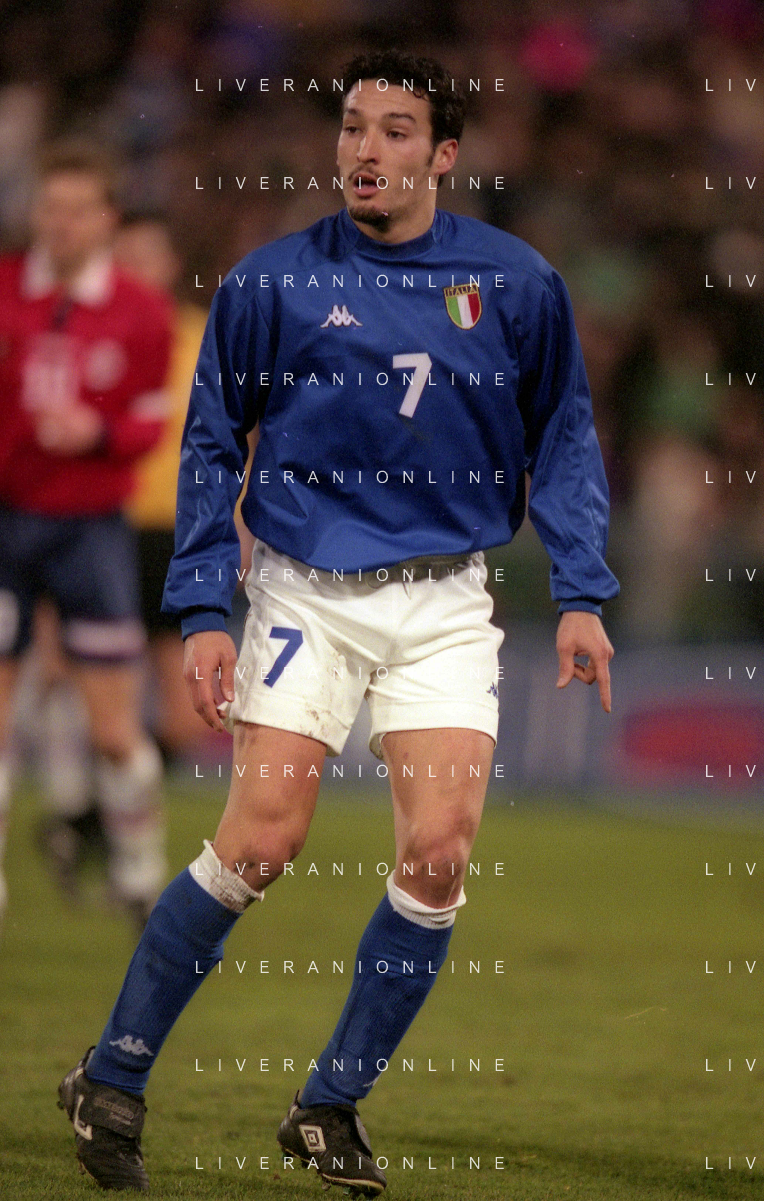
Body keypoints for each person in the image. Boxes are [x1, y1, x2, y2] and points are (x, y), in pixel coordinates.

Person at [58, 50, 618, 1196]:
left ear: (442, 155)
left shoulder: (513, 283)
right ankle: (111, 1073)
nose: (365, 149)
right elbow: (209, 445)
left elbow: (562, 432)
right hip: (304, 591)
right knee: (260, 842)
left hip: (445, 599)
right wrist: (202, 604)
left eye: (395, 131)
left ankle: (327, 1104)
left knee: (438, 852)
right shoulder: (272, 285)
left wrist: (581, 591)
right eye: (353, 126)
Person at [0, 142, 172, 931]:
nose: (61, 224)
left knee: (113, 729)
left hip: (92, 532)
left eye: (78, 210)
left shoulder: (140, 311)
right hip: (7, 522)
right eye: (51, 207)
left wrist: (95, 430)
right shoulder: (7, 290)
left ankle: (139, 866)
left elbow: (149, 424)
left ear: (107, 219)